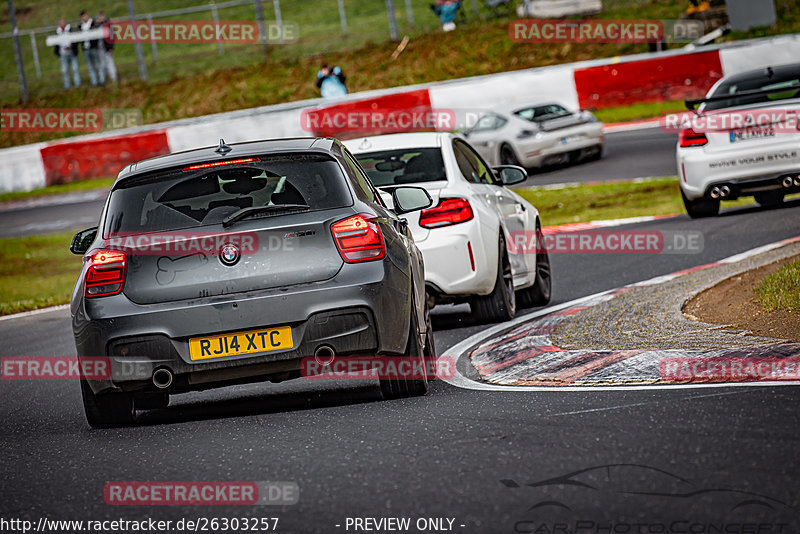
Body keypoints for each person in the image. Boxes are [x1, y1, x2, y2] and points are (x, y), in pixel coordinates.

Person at [54, 18, 81, 90]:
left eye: (63, 24)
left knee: (75, 69)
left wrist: (72, 46)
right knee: (65, 71)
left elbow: (76, 39)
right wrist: (57, 53)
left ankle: (77, 85)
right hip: (63, 54)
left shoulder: (71, 30)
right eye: (60, 24)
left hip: (72, 53)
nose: (62, 25)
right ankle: (67, 86)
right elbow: (55, 43)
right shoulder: (57, 32)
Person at [80, 10, 105, 86]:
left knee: (98, 64)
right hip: (86, 49)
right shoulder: (81, 26)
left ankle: (102, 80)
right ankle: (94, 82)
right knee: (90, 66)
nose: (85, 17)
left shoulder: (93, 23)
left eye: (85, 15)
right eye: (83, 16)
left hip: (94, 47)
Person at [96, 12, 117, 83]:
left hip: (107, 48)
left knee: (110, 63)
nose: (100, 18)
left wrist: (111, 47)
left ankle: (114, 78)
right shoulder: (97, 26)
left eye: (101, 17)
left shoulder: (108, 25)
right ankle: (104, 79)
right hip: (99, 48)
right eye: (99, 17)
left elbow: (112, 36)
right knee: (102, 64)